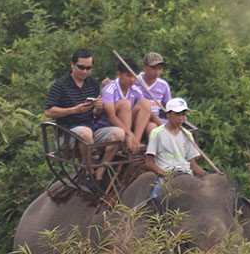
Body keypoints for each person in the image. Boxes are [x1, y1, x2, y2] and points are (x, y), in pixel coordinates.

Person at [44, 49, 124, 189]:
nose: (85, 71)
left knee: (119, 133)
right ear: (72, 65)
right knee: (85, 133)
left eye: (88, 68)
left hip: (91, 128)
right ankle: (89, 172)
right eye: (81, 67)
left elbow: (96, 113)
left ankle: (100, 172)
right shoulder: (60, 85)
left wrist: (98, 107)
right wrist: (73, 110)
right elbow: (49, 111)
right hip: (68, 132)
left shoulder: (92, 83)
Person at [144, 98, 208, 197]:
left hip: (186, 174)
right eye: (177, 114)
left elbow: (193, 165)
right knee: (154, 199)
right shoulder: (157, 133)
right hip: (166, 176)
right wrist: (166, 175)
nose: (181, 118)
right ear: (168, 114)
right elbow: (149, 163)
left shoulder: (187, 135)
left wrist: (208, 176)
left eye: (183, 114)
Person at [101, 57, 156, 152]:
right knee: (125, 104)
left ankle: (136, 142)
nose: (132, 80)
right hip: (111, 125)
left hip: (130, 125)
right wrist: (129, 133)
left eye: (134, 76)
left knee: (145, 103)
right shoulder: (110, 89)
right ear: (119, 74)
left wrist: (163, 125)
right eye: (128, 76)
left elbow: (147, 110)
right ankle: (128, 140)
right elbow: (111, 116)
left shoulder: (135, 90)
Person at [138, 52, 171, 123]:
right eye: (154, 68)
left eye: (160, 69)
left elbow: (169, 106)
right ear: (144, 67)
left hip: (156, 120)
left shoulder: (163, 85)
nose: (157, 72)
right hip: (138, 119)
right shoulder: (134, 81)